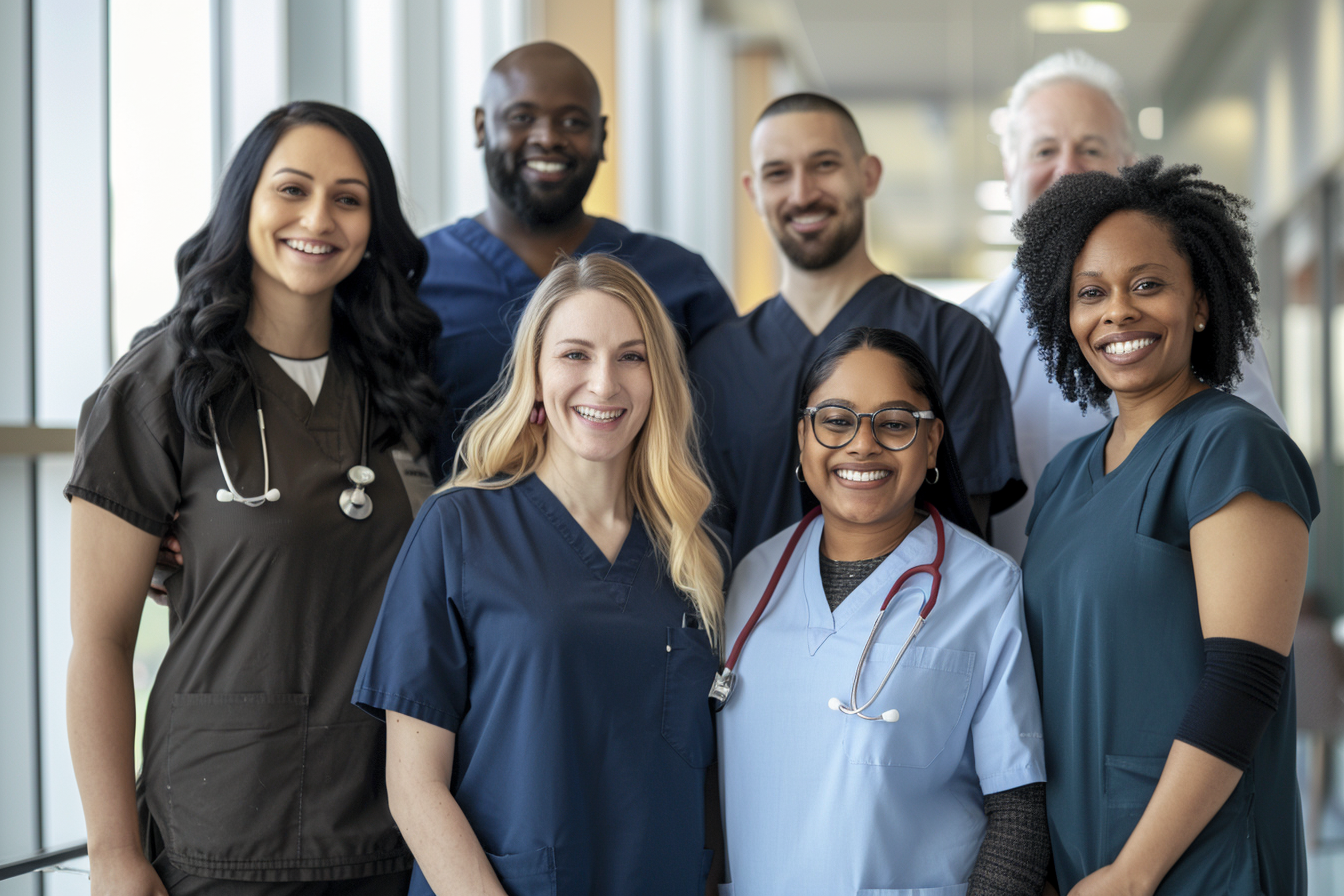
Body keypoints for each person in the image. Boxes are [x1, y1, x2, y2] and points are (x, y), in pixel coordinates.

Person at [65, 101, 441, 896]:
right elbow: (99, 642)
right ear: (246, 204)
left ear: (374, 225)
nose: (318, 218)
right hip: (220, 827)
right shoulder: (161, 386)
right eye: (292, 189)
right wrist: (113, 854)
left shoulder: (396, 387)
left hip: (386, 821)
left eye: (348, 198)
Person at [353, 255, 725, 896]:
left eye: (632, 357)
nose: (604, 384)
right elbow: (413, 786)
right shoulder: (458, 529)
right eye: (575, 355)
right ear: (535, 374)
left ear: (659, 378)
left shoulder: (693, 553)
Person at [1017, 158, 1317, 894]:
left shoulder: (1231, 445)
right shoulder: (1064, 476)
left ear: (1203, 303)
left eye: (1147, 285)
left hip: (1200, 859)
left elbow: (1243, 682)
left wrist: (1135, 872)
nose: (1117, 312)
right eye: (1092, 293)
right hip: (1088, 852)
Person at [715, 326, 1048, 895]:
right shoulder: (750, 580)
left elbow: (1018, 813)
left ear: (932, 440)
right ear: (803, 437)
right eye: (836, 420)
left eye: (894, 423)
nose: (862, 444)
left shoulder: (987, 590)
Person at [962, 49, 1284, 562]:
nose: (1067, 169)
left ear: (1130, 166)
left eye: (1090, 148)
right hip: (1007, 629)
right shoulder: (966, 331)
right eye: (1044, 150)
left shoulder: (1190, 314)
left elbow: (1258, 478)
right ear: (1010, 172)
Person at [690, 93, 1022, 565]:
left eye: (824, 165)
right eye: (778, 173)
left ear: (868, 174)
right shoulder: (715, 362)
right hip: (749, 632)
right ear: (753, 192)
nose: (802, 193)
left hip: (910, 632)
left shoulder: (954, 340)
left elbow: (964, 542)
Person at [421, 41, 737, 475]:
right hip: (460, 538)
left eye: (572, 121)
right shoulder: (417, 276)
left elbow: (722, 443)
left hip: (643, 539)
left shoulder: (680, 279)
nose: (548, 137)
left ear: (602, 137)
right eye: (522, 117)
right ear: (480, 126)